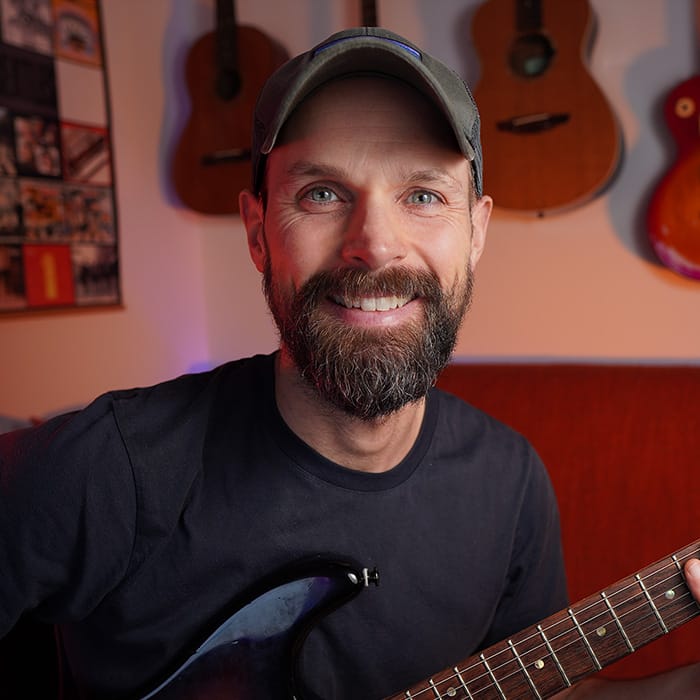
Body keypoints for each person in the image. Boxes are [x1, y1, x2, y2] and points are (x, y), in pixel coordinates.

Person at [0, 26, 698, 700]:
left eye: (423, 195)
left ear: (476, 231)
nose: (375, 244)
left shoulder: (510, 481)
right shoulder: (110, 468)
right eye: (322, 194)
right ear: (257, 233)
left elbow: (543, 690)